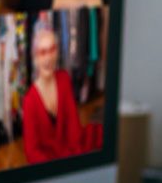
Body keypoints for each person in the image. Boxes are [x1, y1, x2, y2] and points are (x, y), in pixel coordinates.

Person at [21, 25, 102, 163]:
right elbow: (32, 152)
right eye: (43, 52)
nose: (48, 58)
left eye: (52, 50)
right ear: (35, 58)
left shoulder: (64, 79)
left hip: (70, 151)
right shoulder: (30, 101)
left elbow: (73, 128)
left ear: (57, 53)